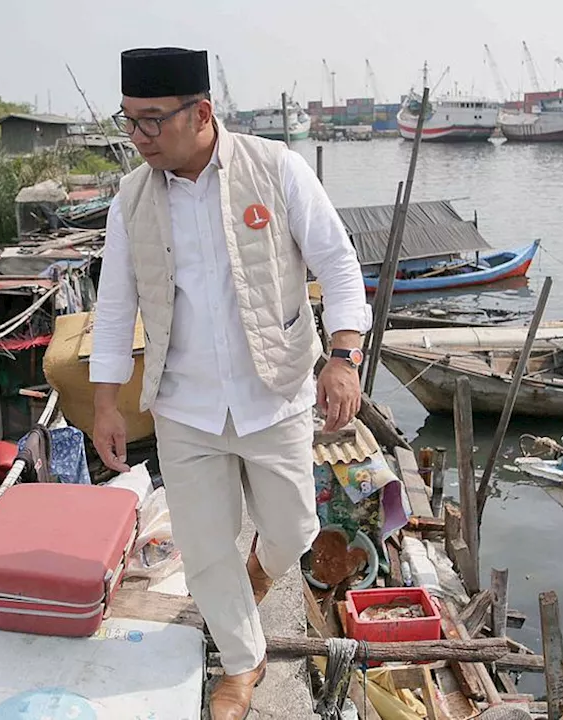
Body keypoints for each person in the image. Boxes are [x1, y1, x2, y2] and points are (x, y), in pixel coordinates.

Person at [89, 46, 372, 720]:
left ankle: (262, 566)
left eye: (152, 122)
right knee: (206, 547)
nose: (138, 138)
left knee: (294, 529)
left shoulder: (277, 171)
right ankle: (241, 664)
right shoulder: (131, 200)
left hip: (274, 394)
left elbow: (338, 264)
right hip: (184, 405)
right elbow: (114, 306)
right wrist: (105, 401)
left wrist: (344, 356)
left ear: (202, 113)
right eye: (128, 122)